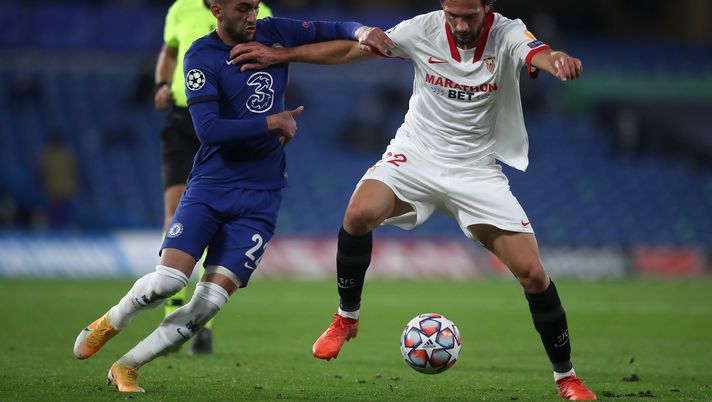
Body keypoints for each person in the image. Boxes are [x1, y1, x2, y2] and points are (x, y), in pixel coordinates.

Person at [230, 0, 596, 399]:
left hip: (475, 171)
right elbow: (352, 50)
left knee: (534, 275)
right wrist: (282, 55)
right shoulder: (422, 29)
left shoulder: (507, 32)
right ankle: (346, 318)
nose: (458, 25)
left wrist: (557, 59)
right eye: (452, 15)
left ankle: (567, 377)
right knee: (358, 214)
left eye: (469, 17)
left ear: (487, 8)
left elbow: (538, 52)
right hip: (415, 155)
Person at [73, 0, 393, 393]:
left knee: (208, 303)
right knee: (170, 281)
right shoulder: (201, 55)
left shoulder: (273, 33)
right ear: (216, 9)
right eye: (242, 9)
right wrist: (270, 122)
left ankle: (128, 365)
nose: (252, 17)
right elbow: (208, 130)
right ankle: (113, 320)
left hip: (262, 196)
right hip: (212, 185)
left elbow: (332, 28)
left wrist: (361, 31)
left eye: (255, 7)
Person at [153, 0, 272, 355]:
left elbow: (268, 58)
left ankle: (201, 323)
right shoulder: (180, 8)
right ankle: (172, 312)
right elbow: (169, 51)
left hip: (229, 121)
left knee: (218, 222)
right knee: (175, 213)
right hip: (183, 118)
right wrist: (161, 82)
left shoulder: (258, 9)